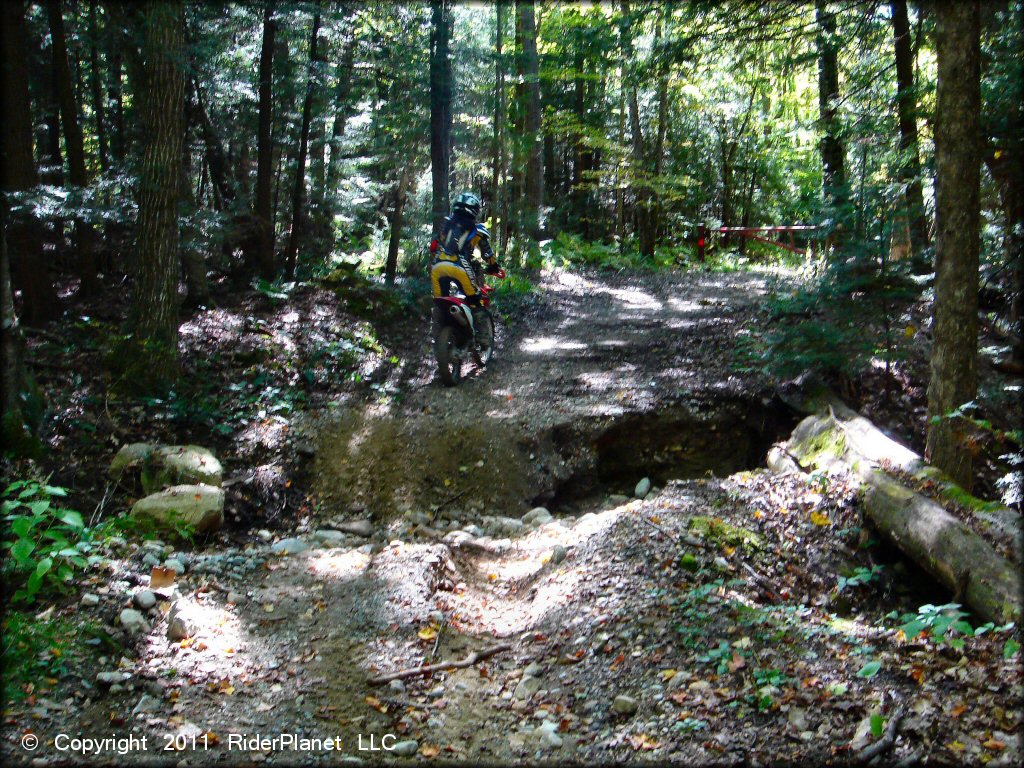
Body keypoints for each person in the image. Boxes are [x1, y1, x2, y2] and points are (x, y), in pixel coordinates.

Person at [429, 192, 502, 342]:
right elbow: (487, 254)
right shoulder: (477, 230)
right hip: (460, 267)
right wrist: (494, 267)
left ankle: (438, 333)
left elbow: (433, 247)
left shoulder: (446, 225)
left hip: (437, 268)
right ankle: (482, 336)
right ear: (474, 210)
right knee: (476, 300)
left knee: (440, 303)